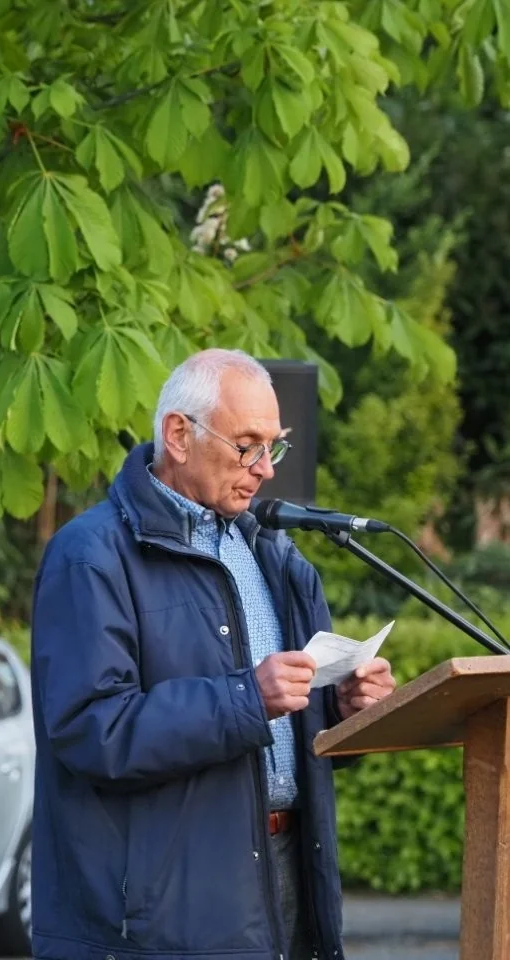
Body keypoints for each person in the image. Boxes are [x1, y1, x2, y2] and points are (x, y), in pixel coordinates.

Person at [30, 349, 397, 960]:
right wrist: (248, 697)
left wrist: (345, 710)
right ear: (179, 434)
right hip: (165, 912)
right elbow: (91, 730)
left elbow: (294, 725)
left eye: (273, 447)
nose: (265, 469)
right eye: (247, 446)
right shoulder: (90, 556)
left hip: (289, 870)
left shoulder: (277, 554)